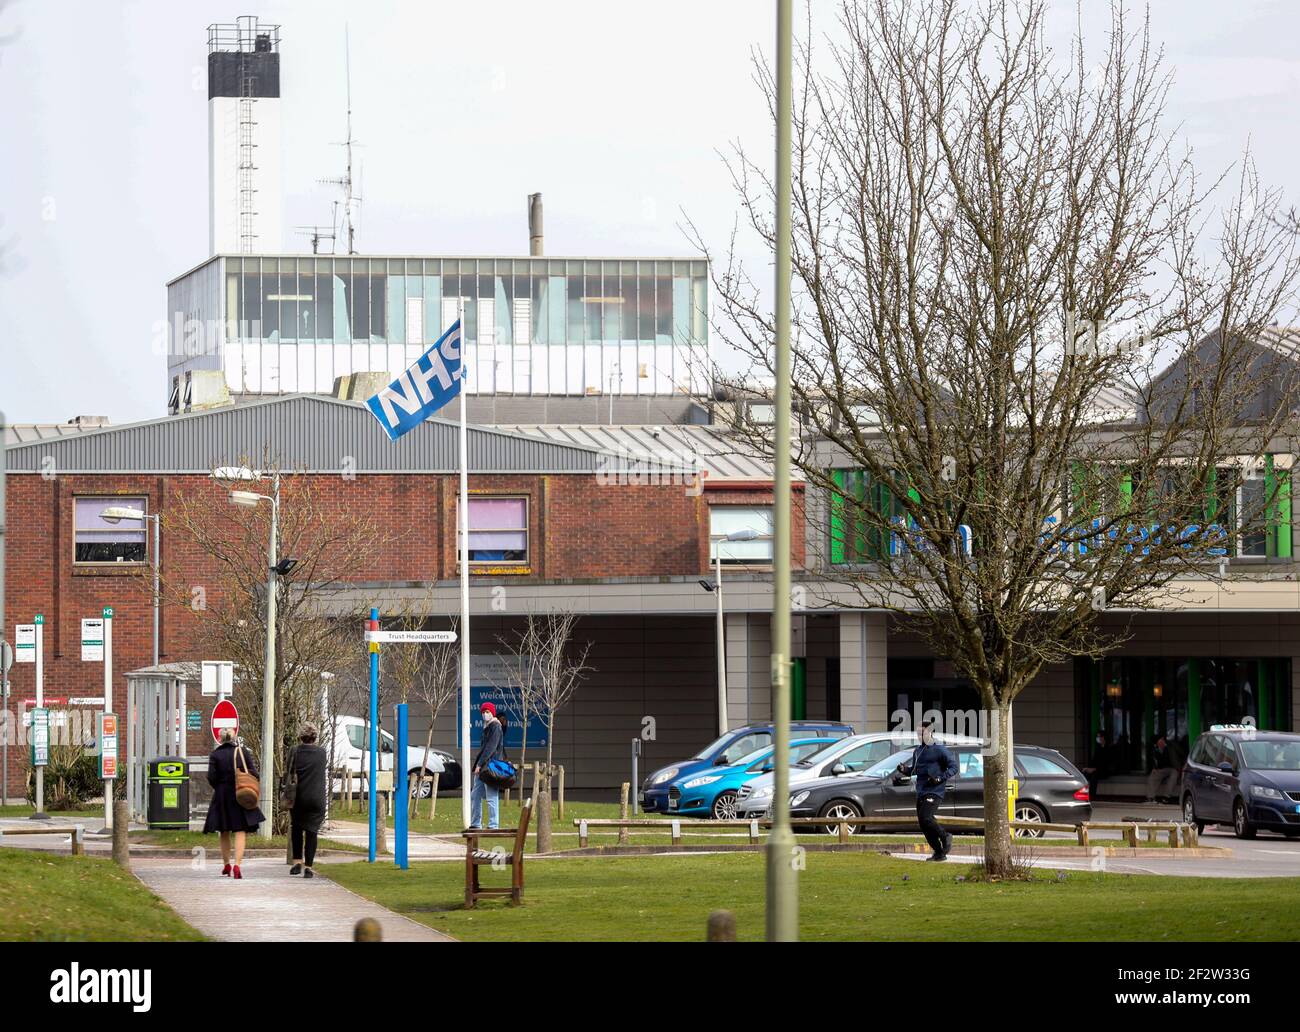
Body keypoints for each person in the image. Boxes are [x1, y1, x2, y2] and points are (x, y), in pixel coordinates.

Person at [203, 728, 266, 879]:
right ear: (233, 738)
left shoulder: (215, 754)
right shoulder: (242, 751)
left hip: (222, 796)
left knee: (224, 831)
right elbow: (254, 773)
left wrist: (220, 787)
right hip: (241, 794)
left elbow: (211, 777)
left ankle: (226, 865)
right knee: (240, 830)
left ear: (220, 738)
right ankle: (237, 865)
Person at [895, 720, 959, 861]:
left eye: (922, 733)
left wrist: (939, 778)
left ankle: (945, 836)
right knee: (923, 824)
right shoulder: (917, 751)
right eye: (918, 733)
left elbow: (954, 767)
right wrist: (904, 770)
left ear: (930, 732)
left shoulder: (939, 749)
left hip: (935, 791)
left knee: (926, 817)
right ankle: (939, 853)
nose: (920, 735)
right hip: (921, 791)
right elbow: (914, 770)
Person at [288, 723, 328, 879]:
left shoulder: (295, 751)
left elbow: (289, 770)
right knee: (312, 832)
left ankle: (297, 862)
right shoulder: (322, 753)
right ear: (315, 737)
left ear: (300, 736)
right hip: (316, 798)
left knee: (296, 828)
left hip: (298, 797)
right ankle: (309, 867)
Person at [468, 702, 505, 830]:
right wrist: (477, 766)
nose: (485, 714)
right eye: (483, 712)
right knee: (475, 795)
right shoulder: (487, 727)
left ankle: (493, 825)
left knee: (491, 796)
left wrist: (479, 764)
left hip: (490, 767)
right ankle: (476, 823)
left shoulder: (495, 726)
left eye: (487, 712)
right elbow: (484, 749)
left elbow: (490, 748)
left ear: (492, 713)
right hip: (482, 767)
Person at [1146, 735, 1180, 803]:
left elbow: (1181, 755)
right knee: (1152, 777)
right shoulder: (1154, 749)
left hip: (1172, 768)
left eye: (1161, 741)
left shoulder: (1171, 746)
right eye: (1159, 742)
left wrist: (1179, 767)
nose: (1161, 743)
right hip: (1161, 769)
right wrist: (1153, 768)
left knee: (1174, 775)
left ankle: (1166, 796)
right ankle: (1151, 797)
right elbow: (1151, 760)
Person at [1081, 730, 1109, 799]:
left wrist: (1094, 769)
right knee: (1085, 774)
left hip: (1103, 770)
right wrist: (1088, 768)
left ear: (1103, 737)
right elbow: (1094, 761)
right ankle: (1082, 794)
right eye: (1097, 737)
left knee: (1094, 776)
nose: (1098, 738)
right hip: (1095, 769)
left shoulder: (1108, 749)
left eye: (1099, 736)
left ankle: (1092, 796)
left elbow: (1105, 763)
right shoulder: (1098, 748)